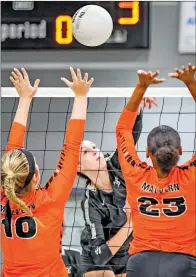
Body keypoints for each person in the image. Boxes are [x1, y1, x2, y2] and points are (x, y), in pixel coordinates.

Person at [1, 67, 94, 277]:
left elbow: (12, 154)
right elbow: (72, 148)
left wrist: (24, 99)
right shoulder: (50, 198)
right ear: (36, 177)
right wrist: (81, 96)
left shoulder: (3, 197)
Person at [116, 63, 196, 277]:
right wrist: (191, 83)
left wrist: (141, 87)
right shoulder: (191, 176)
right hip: (183, 263)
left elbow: (123, 129)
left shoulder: (135, 173)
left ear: (147, 153)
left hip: (140, 263)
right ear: (180, 150)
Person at [78, 96, 157, 277]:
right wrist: (131, 223)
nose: (94, 151)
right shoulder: (91, 201)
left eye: (94, 147)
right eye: (86, 152)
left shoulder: (117, 165)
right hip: (97, 261)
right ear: (78, 166)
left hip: (125, 254)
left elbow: (130, 134)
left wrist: (136, 105)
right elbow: (98, 256)